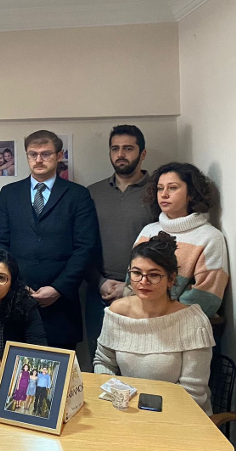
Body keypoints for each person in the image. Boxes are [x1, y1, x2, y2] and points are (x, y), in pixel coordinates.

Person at [0, 130, 98, 350]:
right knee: (13, 365)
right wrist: (16, 285)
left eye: (45, 154)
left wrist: (59, 288)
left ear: (59, 155)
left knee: (58, 368)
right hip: (16, 300)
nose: (38, 160)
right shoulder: (9, 194)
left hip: (62, 305)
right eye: (33, 154)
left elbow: (85, 248)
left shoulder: (78, 195)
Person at [94, 232, 215, 414]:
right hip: (128, 411)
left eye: (154, 275)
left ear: (171, 279)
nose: (143, 281)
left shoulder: (193, 321)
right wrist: (120, 400)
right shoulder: (117, 312)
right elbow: (103, 362)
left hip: (181, 416)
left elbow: (193, 393)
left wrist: (146, 415)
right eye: (136, 273)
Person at [85, 125, 156, 358]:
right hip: (99, 292)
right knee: (100, 361)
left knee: (141, 361)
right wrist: (100, 281)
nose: (120, 154)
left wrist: (129, 287)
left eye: (128, 148)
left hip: (145, 292)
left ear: (142, 153)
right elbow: (81, 245)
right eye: (115, 148)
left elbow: (165, 248)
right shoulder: (92, 193)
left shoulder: (158, 192)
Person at [130, 162, 228, 317]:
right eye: (160, 188)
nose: (164, 194)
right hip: (139, 319)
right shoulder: (148, 231)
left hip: (182, 325)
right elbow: (131, 282)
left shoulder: (210, 237)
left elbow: (206, 298)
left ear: (191, 194)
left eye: (172, 188)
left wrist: (161, 316)